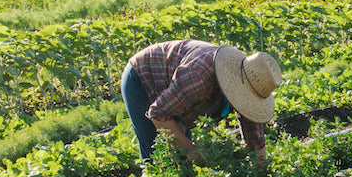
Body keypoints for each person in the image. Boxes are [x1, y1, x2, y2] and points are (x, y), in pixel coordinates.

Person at [121, 40, 282, 166]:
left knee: (183, 162)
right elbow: (158, 114)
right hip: (143, 79)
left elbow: (256, 144)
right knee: (157, 157)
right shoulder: (198, 77)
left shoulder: (253, 83)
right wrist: (191, 150)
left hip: (177, 93)